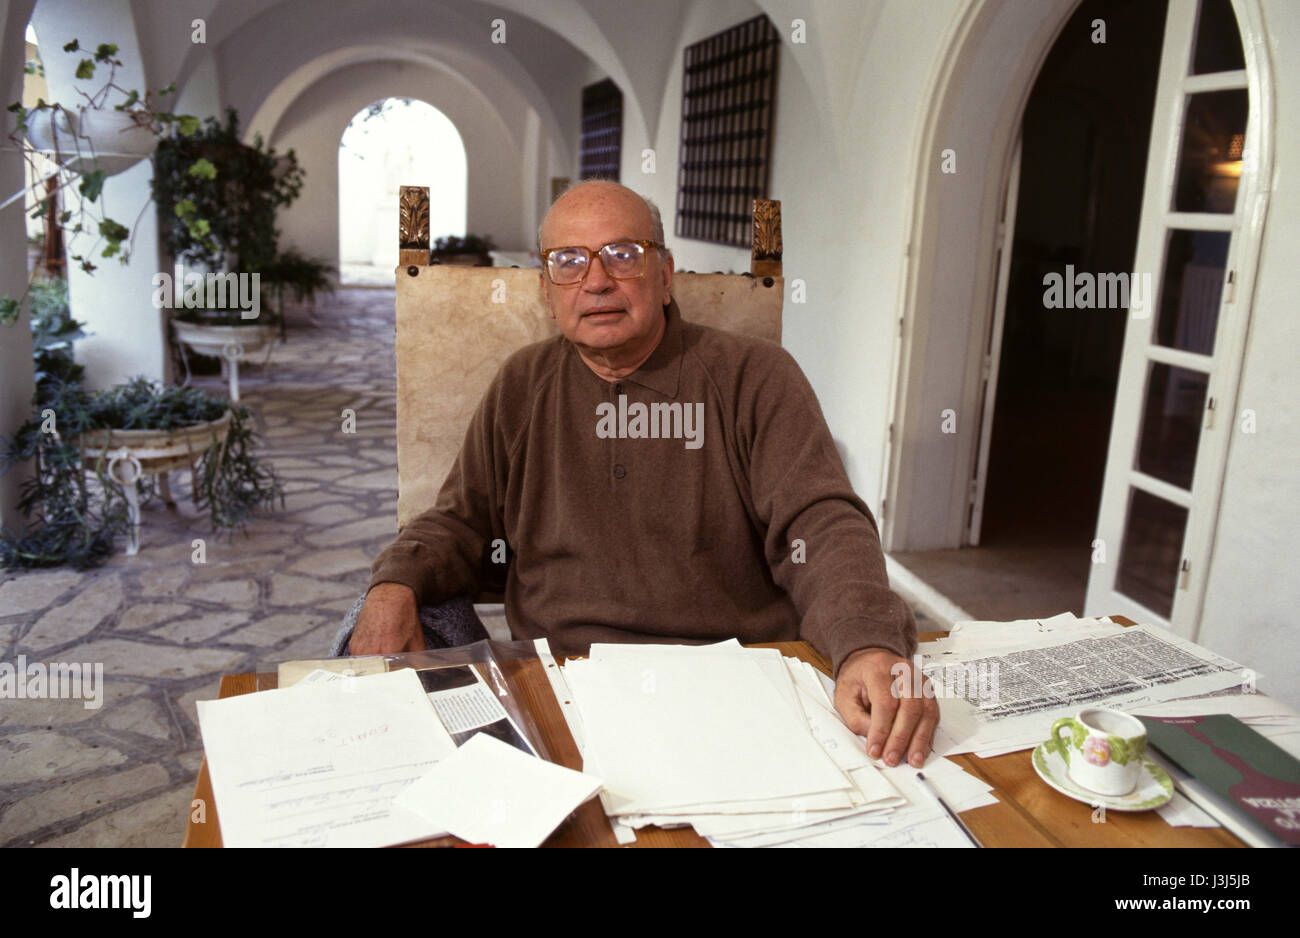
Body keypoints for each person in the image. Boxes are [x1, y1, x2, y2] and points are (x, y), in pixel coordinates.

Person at [351, 180, 938, 768]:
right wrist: (393, 584)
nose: (597, 280)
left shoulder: (756, 377)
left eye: (624, 255)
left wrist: (866, 641)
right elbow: (461, 522)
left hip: (738, 678)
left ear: (665, 274)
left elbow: (821, 523)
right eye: (569, 261)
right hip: (565, 686)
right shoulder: (523, 385)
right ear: (546, 290)